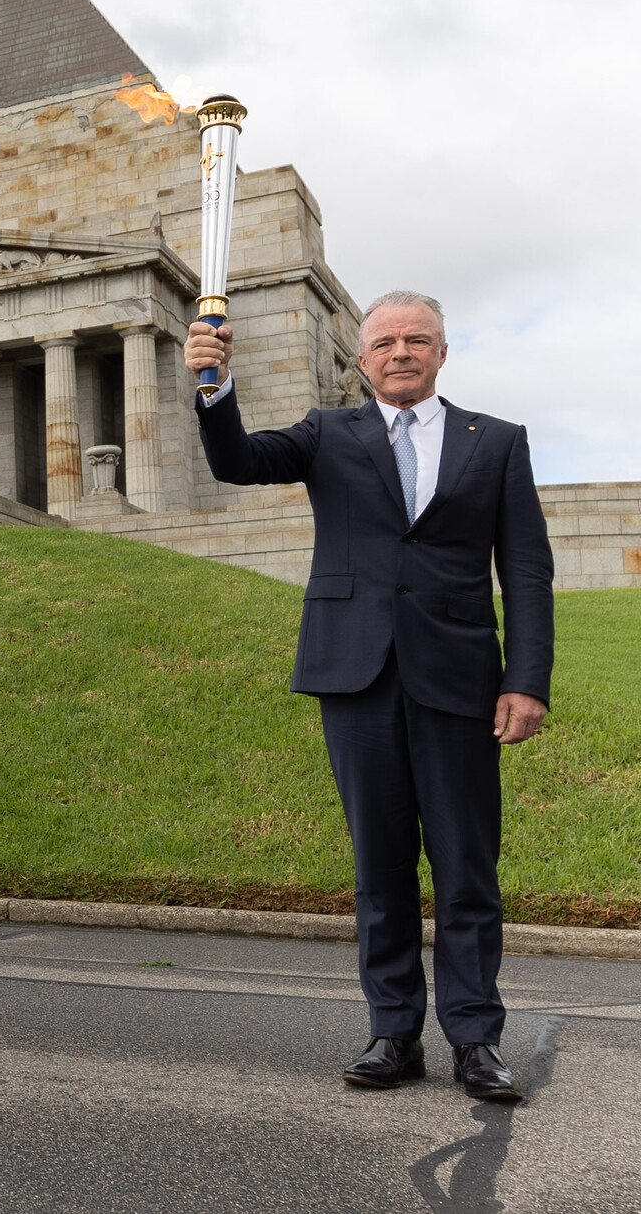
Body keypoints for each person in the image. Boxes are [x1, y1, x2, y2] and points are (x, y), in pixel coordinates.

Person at [185, 290, 554, 1102]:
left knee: (466, 865)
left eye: (416, 339)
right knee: (379, 865)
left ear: (442, 353)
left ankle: (475, 1038)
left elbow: (526, 568)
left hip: (459, 682)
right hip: (353, 676)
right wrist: (213, 384)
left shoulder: (494, 442)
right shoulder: (329, 433)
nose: (400, 352)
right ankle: (393, 1031)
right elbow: (237, 460)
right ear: (362, 358)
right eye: (384, 341)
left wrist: (526, 679)